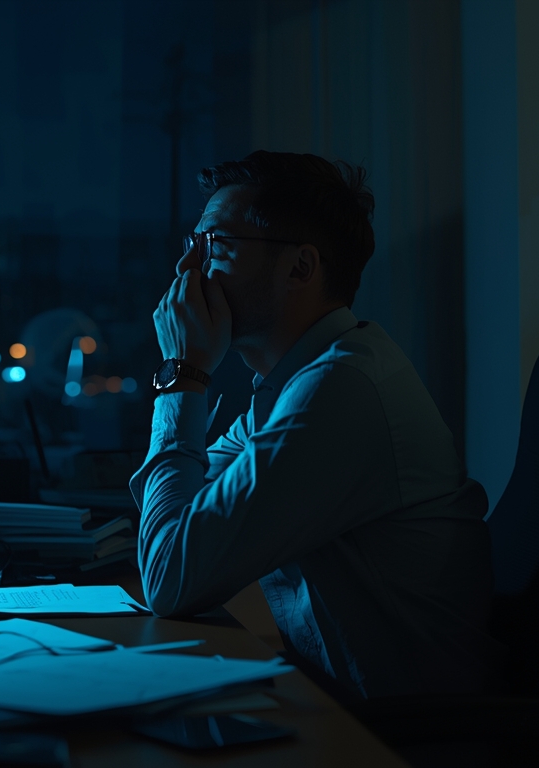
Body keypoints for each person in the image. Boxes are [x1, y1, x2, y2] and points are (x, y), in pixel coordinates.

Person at [131, 150, 502, 701]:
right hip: (338, 706)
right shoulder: (287, 387)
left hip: (400, 740)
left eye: (217, 246)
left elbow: (169, 578)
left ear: (300, 268)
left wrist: (182, 374)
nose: (190, 270)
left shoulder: (340, 390)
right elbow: (182, 524)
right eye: (194, 246)